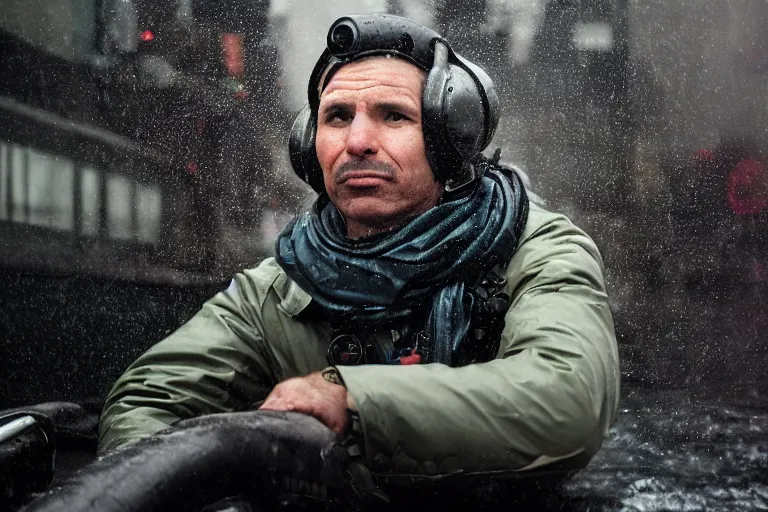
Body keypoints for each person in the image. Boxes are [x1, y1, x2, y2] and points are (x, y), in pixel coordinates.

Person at [99, 13, 619, 499]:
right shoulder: (281, 288)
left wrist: (348, 399)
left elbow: (569, 402)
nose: (358, 141)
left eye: (394, 116)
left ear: (450, 139)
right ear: (310, 144)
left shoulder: (538, 251)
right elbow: (146, 401)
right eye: (338, 117)